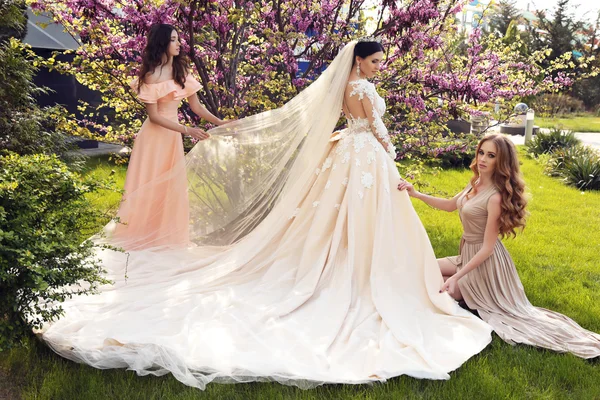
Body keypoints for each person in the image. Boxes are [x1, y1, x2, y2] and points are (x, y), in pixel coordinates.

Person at [41, 39, 493, 389]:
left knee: (335, 218)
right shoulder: (363, 87)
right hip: (368, 156)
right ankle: (360, 269)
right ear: (359, 62)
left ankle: (348, 261)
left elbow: (353, 123)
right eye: (375, 61)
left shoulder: (346, 87)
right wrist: (392, 152)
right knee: (362, 217)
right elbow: (376, 128)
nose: (380, 67)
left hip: (350, 156)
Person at [398, 134, 600, 359]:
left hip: (486, 264)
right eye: (481, 152)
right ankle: (455, 286)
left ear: (501, 161)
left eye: (491, 155)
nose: (483, 159)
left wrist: (457, 276)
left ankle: (464, 291)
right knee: (426, 268)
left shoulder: (495, 197)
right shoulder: (474, 182)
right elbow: (448, 205)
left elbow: (487, 248)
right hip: (467, 255)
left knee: (442, 289)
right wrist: (415, 194)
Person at [109, 23, 226, 250]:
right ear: (162, 43)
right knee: (149, 183)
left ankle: (166, 236)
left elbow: (197, 108)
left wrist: (220, 122)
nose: (179, 44)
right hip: (153, 138)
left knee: (170, 187)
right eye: (173, 40)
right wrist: (187, 130)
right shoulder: (151, 76)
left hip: (171, 137)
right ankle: (140, 233)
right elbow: (153, 117)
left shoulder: (182, 73)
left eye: (178, 39)